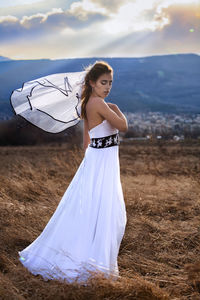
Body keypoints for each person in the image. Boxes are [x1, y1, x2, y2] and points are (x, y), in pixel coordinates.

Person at [18, 60, 128, 283]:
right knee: (105, 209)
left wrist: (90, 161)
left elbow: (87, 138)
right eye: (103, 82)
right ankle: (92, 261)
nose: (107, 87)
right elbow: (123, 126)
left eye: (110, 83)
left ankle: (89, 255)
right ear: (92, 83)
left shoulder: (89, 103)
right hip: (102, 162)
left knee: (94, 207)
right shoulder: (98, 103)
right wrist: (117, 109)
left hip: (99, 160)